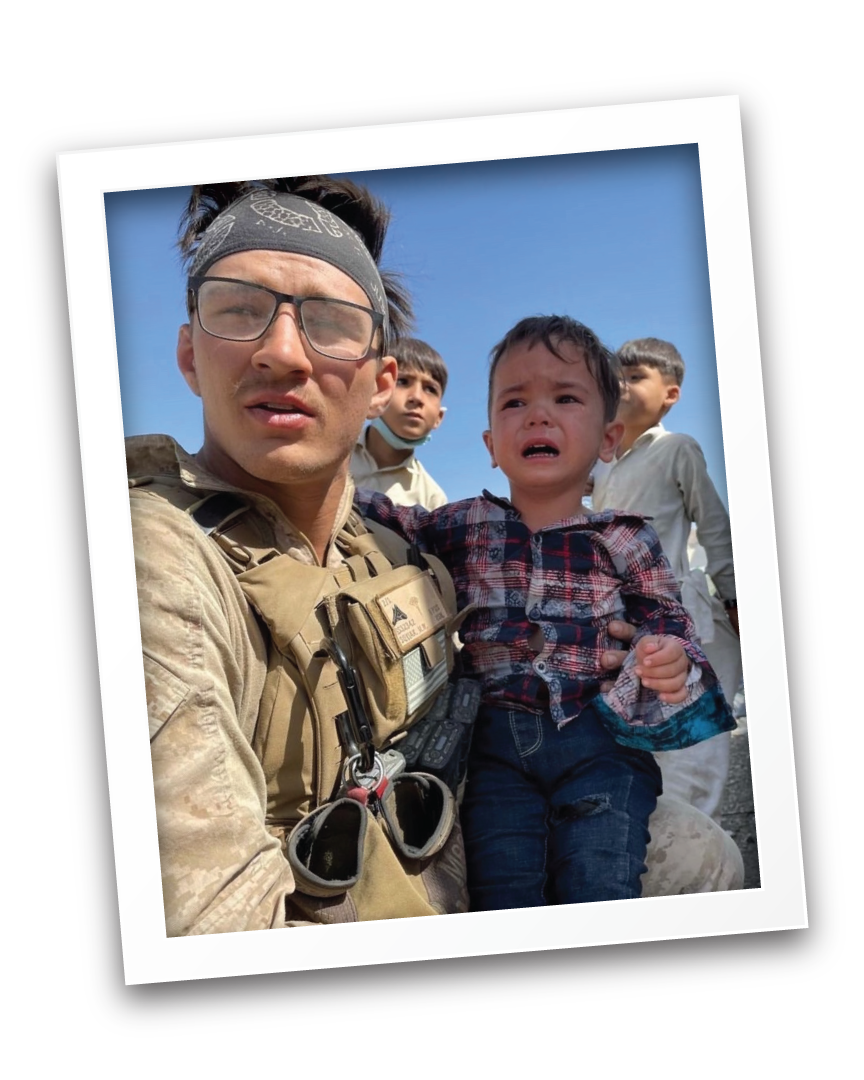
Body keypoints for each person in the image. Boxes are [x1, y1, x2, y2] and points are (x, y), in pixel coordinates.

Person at [131, 179, 743, 937]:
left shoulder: (391, 546)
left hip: (508, 793)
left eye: (330, 322)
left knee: (690, 858)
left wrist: (658, 653)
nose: (282, 352)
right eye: (237, 310)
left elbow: (665, 616)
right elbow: (212, 927)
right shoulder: (159, 556)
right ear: (189, 355)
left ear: (377, 382)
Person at [354, 316, 736, 910]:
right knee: (503, 891)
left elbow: (667, 617)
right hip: (493, 751)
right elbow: (390, 518)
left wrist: (668, 654)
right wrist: (325, 470)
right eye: (515, 402)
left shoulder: (626, 538)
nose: (538, 415)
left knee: (600, 880)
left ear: (608, 440)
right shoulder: (462, 524)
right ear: (491, 446)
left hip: (602, 745)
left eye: (565, 398)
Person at [591, 337, 742, 823]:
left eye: (635, 377)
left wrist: (736, 599)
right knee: (644, 741)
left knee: (694, 747)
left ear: (670, 394)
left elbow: (714, 527)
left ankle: (705, 845)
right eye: (616, 377)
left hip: (686, 615)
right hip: (626, 622)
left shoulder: (677, 449)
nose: (621, 385)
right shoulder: (602, 466)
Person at [351, 337, 449, 509]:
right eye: (402, 381)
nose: (417, 397)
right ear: (377, 391)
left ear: (439, 418)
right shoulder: (333, 455)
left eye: (430, 389)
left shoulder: (432, 501)